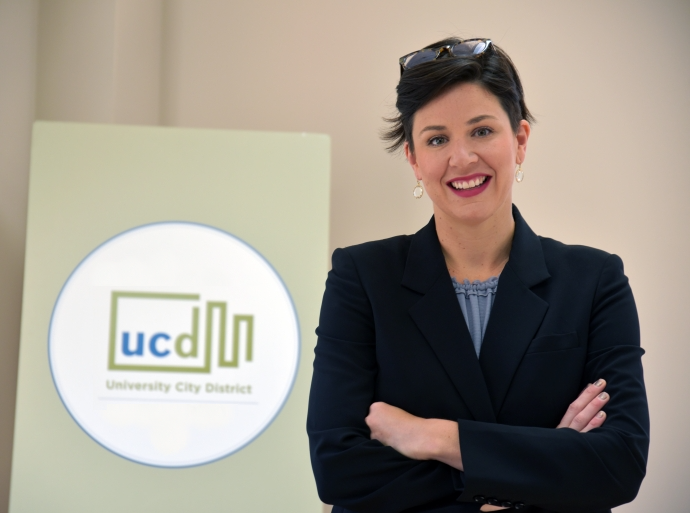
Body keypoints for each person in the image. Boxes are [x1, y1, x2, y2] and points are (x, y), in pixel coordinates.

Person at [306, 37, 649, 513]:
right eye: (437, 139)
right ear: (413, 159)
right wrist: (535, 467)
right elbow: (338, 468)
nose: (462, 158)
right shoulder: (361, 277)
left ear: (520, 141)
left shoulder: (595, 280)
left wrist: (433, 436)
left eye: (482, 131)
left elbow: (619, 463)